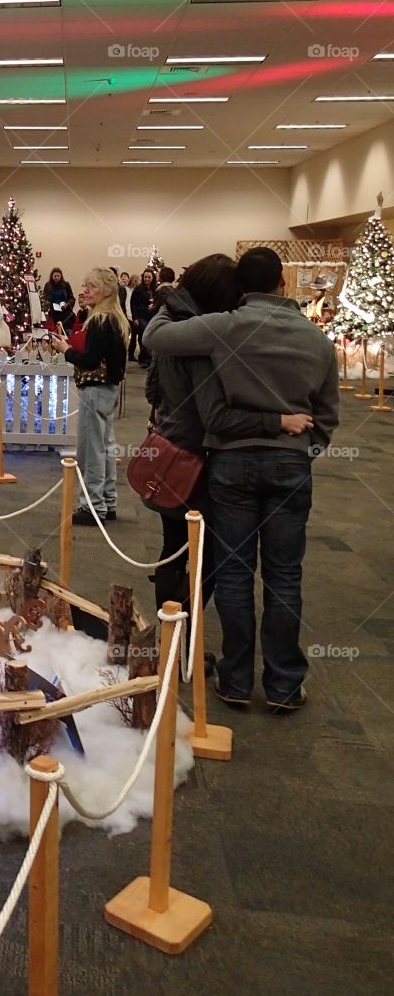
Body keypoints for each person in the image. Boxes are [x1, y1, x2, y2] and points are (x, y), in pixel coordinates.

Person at [143, 247, 339, 712]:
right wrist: (300, 450)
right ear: (284, 284)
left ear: (242, 288)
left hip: (230, 463)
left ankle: (234, 680)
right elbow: (328, 416)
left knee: (232, 572)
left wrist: (175, 295)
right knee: (285, 576)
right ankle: (285, 684)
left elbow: (157, 338)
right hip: (289, 467)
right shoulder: (317, 340)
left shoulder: (224, 327)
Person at [51, 267, 129, 523]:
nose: (85, 291)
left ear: (106, 291)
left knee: (91, 450)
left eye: (91, 286)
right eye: (85, 285)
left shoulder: (99, 320)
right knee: (105, 447)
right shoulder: (115, 319)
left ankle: (92, 506)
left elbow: (90, 359)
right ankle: (107, 501)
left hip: (94, 389)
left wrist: (66, 350)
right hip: (109, 389)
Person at [130, 268, 156, 366]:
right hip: (140, 316)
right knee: (145, 334)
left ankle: (143, 358)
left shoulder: (154, 289)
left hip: (150, 316)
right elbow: (133, 304)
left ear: (152, 278)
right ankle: (146, 358)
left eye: (149, 277)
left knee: (144, 336)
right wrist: (134, 318)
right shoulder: (138, 289)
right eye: (145, 277)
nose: (147, 279)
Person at [42, 267, 75, 332]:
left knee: (65, 330)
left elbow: (71, 298)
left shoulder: (66, 285)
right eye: (55, 276)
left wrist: (67, 304)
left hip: (64, 311)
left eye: (58, 276)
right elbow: (45, 298)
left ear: (61, 276)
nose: (56, 277)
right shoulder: (48, 285)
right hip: (53, 312)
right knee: (53, 330)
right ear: (52, 276)